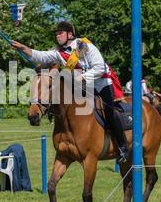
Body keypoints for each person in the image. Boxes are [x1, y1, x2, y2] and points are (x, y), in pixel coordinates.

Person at [10, 21, 129, 163]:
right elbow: (40, 56)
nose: (57, 36)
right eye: (56, 34)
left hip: (101, 83)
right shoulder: (58, 53)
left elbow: (100, 68)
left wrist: (82, 77)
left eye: (60, 33)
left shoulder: (84, 45)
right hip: (83, 85)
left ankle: (123, 147)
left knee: (109, 112)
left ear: (70, 34)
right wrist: (23, 48)